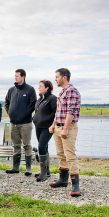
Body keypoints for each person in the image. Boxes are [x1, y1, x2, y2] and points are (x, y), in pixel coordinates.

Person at [49, 68, 81, 197]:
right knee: (61, 154)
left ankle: (75, 186)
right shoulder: (62, 92)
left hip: (67, 127)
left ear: (64, 77)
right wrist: (53, 125)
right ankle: (63, 180)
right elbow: (59, 111)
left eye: (57, 77)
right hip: (58, 127)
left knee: (70, 155)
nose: (55, 79)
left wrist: (66, 129)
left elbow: (70, 111)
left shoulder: (72, 91)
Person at [5, 69, 37, 176]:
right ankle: (15, 167)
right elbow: (7, 103)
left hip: (25, 123)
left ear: (23, 76)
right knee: (15, 145)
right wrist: (10, 113)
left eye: (17, 76)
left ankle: (28, 168)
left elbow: (32, 105)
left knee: (27, 145)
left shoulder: (30, 89)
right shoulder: (11, 90)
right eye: (15, 76)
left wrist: (23, 115)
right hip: (13, 123)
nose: (15, 78)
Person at [32, 80, 57, 182]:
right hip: (38, 126)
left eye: (41, 86)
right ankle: (47, 171)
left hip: (47, 127)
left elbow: (56, 112)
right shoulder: (39, 99)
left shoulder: (52, 98)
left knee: (41, 147)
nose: (39, 88)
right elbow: (37, 112)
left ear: (47, 88)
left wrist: (47, 119)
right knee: (44, 147)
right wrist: (35, 118)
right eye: (39, 86)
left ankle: (43, 173)